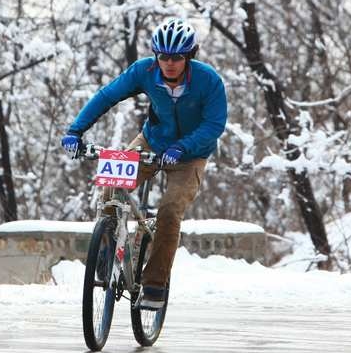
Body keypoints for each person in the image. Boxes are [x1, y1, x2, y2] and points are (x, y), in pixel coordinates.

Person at [61, 18, 228, 309]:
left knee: (170, 210)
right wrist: (76, 130)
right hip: (151, 141)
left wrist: (182, 146)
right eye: (163, 56)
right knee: (111, 186)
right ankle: (107, 250)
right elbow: (107, 96)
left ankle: (154, 284)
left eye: (177, 57)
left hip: (191, 154)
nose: (169, 63)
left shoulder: (208, 80)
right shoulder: (145, 71)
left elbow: (214, 124)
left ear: (189, 56)